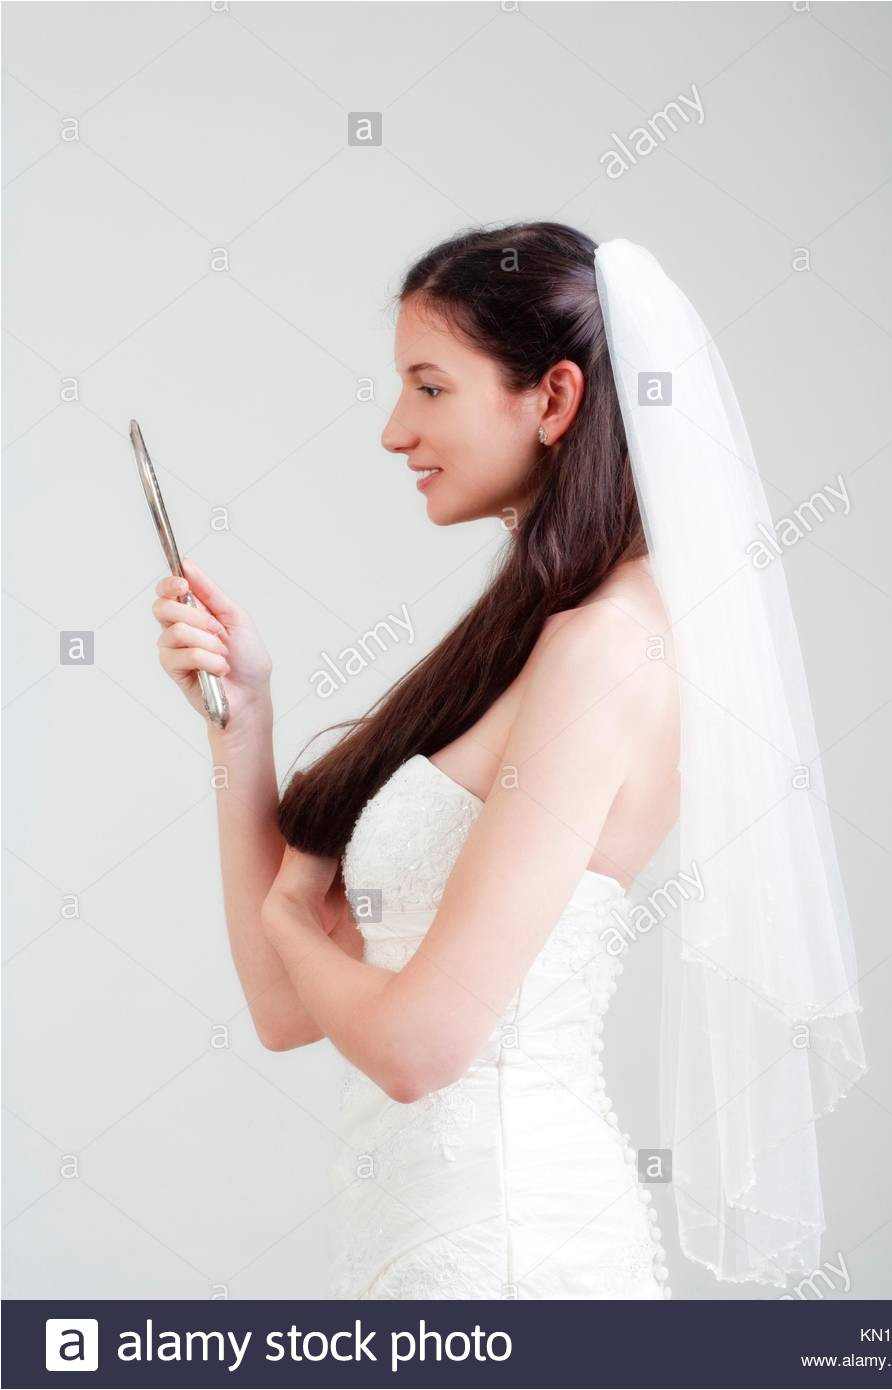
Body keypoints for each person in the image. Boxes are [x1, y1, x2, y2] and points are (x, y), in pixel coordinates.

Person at [152, 223, 679, 1299]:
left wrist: (290, 913)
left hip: (510, 1251)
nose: (396, 431)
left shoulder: (602, 651)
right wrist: (240, 717)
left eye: (428, 387)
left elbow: (415, 1048)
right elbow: (287, 1010)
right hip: (421, 1235)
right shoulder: (535, 634)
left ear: (554, 398)